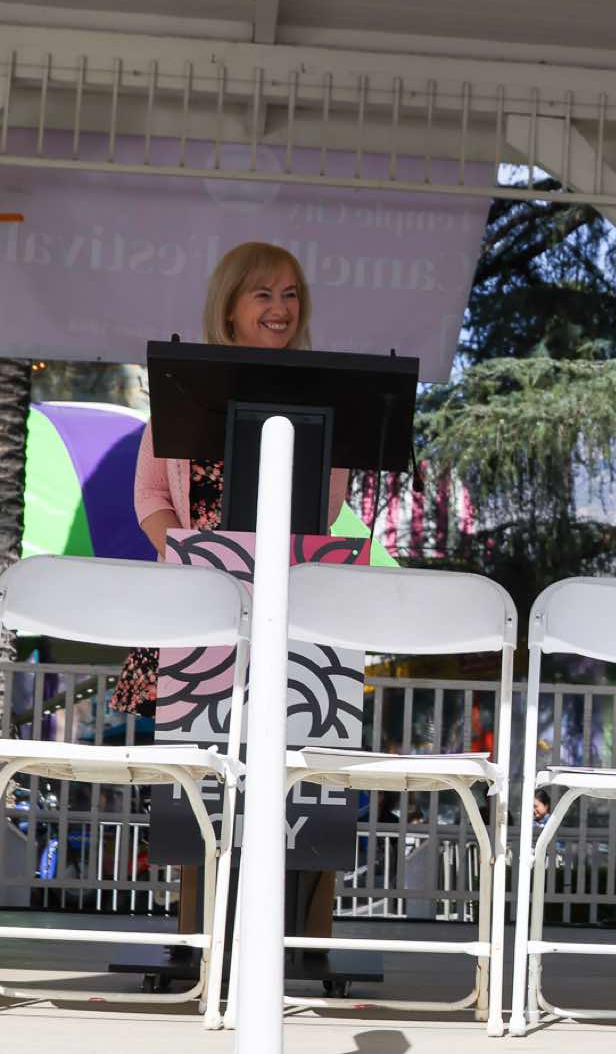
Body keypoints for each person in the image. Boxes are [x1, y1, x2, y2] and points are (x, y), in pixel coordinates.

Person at [121, 240, 351, 936]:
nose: (281, 308)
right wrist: (195, 557)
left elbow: (328, 503)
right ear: (229, 307)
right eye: (263, 294)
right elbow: (151, 497)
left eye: (290, 294)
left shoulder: (322, 390)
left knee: (303, 773)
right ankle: (199, 940)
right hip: (200, 613)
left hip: (293, 611)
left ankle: (303, 944)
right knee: (201, 780)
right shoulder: (185, 389)